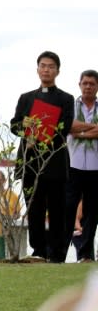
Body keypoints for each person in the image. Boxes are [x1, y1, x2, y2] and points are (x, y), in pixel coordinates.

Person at [10, 51, 74, 263]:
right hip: (31, 162)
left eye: (51, 66)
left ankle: (57, 255)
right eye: (43, 66)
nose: (46, 69)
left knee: (57, 210)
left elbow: (62, 129)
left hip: (54, 161)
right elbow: (15, 125)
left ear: (57, 71)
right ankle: (38, 251)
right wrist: (25, 127)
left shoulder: (66, 99)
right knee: (34, 209)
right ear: (37, 69)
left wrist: (39, 133)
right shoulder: (26, 98)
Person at [63, 69, 98, 262]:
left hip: (95, 167)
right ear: (79, 84)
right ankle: (61, 251)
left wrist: (81, 131)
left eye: (92, 84)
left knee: (92, 211)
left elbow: (77, 130)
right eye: (85, 83)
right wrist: (91, 129)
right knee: (68, 208)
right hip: (73, 165)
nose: (88, 87)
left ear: (97, 86)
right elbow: (70, 127)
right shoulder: (72, 106)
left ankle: (86, 254)